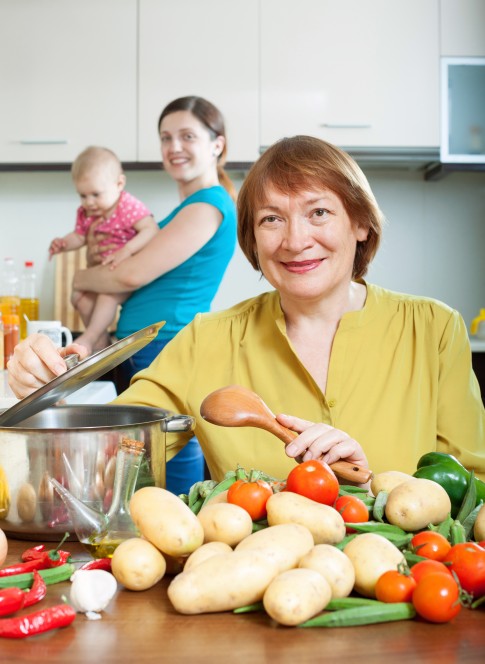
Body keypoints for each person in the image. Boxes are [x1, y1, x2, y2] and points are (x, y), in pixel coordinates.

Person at [9, 135, 485, 485]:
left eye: (318, 212)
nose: (296, 241)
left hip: (412, 593)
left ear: (359, 222)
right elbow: (111, 460)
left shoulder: (434, 329)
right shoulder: (206, 340)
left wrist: (382, 486)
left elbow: (472, 489)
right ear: (253, 240)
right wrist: (44, 391)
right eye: (271, 219)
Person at [54, 96, 237, 495]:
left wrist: (80, 278)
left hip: (168, 343)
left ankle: (181, 540)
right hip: (148, 345)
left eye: (188, 136)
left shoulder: (208, 206)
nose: (174, 147)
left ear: (217, 145)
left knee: (169, 452)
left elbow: (132, 274)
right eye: (166, 137)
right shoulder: (185, 208)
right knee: (149, 452)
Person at [49, 146, 158, 353]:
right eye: (83, 195)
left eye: (95, 194)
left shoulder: (127, 205)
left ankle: (90, 337)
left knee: (107, 296)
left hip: (121, 270)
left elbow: (151, 229)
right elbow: (79, 236)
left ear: (119, 184)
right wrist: (63, 243)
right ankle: (100, 341)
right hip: (100, 272)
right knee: (78, 297)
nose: (88, 202)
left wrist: (127, 250)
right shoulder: (86, 212)